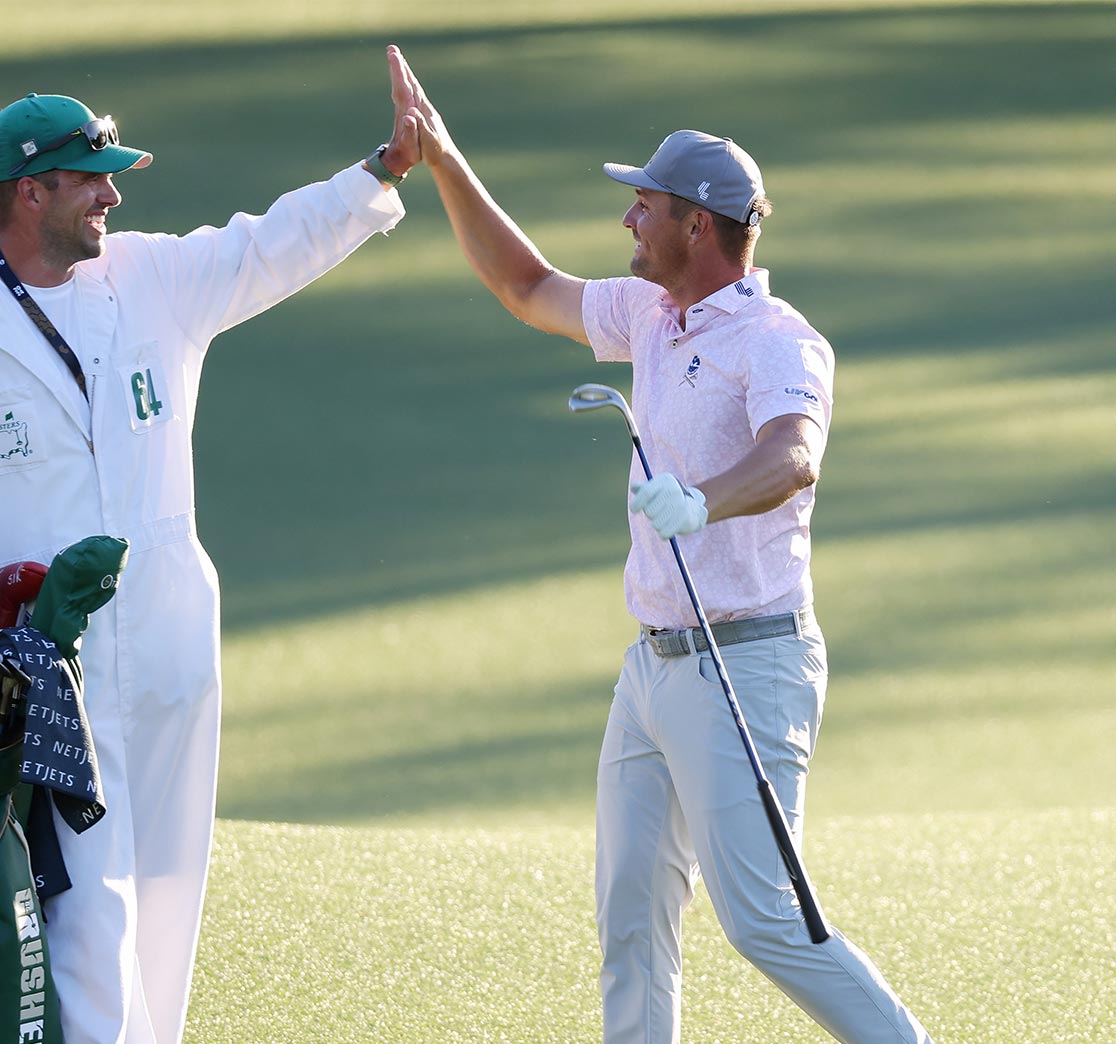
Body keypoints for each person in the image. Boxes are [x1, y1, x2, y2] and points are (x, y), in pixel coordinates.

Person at [0, 47, 427, 1044]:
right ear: (29, 190)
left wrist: (378, 170)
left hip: (168, 634)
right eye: (90, 180)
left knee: (167, 888)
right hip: (37, 667)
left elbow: (267, 246)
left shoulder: (154, 278)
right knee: (84, 912)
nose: (110, 200)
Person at [397, 57, 935, 1044]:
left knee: (766, 920)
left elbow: (792, 456)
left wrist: (698, 502)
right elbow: (523, 285)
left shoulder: (775, 337)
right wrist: (441, 158)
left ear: (695, 224)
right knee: (631, 928)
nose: (624, 223)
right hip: (651, 668)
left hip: (748, 662)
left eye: (641, 206)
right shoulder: (651, 315)